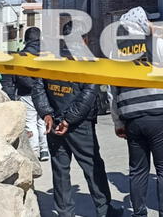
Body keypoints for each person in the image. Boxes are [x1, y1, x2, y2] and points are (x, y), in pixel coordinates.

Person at [31, 21, 122, 217]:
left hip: (54, 122)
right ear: (84, 38)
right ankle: (105, 210)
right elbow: (88, 96)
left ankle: (64, 212)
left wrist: (47, 114)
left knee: (60, 169)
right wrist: (68, 120)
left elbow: (38, 88)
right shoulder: (87, 61)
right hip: (78, 125)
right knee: (92, 167)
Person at [110, 6, 163, 217]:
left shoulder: (117, 51)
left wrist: (117, 121)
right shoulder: (156, 42)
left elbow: (112, 90)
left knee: (137, 171)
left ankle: (139, 214)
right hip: (160, 115)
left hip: (132, 119)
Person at [1, 27, 49, 161]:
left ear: (26, 40)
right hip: (45, 94)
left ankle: (33, 153)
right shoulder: (48, 55)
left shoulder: (20, 56)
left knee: (30, 123)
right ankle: (45, 150)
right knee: (43, 121)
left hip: (26, 94)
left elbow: (15, 79)